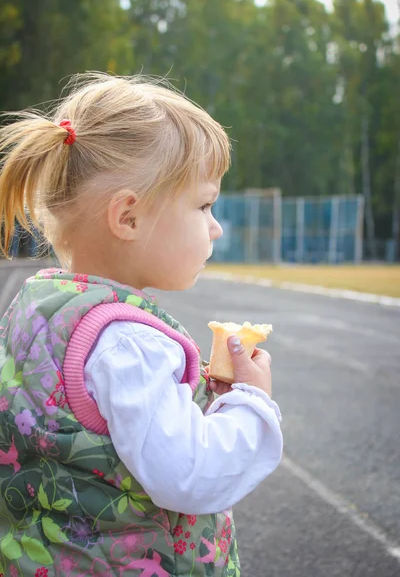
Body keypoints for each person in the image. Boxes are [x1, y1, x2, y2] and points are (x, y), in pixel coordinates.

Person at [0, 73, 282, 576]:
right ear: (128, 217)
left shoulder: (38, 307)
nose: (215, 226)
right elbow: (190, 474)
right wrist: (251, 405)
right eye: (203, 205)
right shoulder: (129, 345)